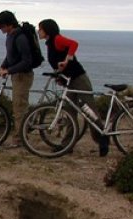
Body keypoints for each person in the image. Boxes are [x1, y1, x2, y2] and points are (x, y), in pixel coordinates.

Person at [38, 19, 110, 156]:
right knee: (69, 112)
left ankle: (102, 138)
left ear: (47, 30)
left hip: (79, 79)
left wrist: (67, 60)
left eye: (40, 29)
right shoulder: (50, 43)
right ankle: (67, 145)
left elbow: (73, 44)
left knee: (89, 111)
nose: (38, 31)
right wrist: (59, 76)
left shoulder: (57, 39)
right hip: (69, 81)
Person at [0, 10, 36, 148]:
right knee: (18, 107)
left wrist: (8, 70)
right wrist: (2, 67)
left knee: (19, 108)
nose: (0, 28)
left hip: (23, 76)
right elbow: (10, 56)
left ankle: (19, 140)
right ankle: (21, 136)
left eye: (2, 26)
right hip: (16, 75)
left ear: (9, 24)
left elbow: (26, 61)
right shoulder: (10, 36)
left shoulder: (20, 37)